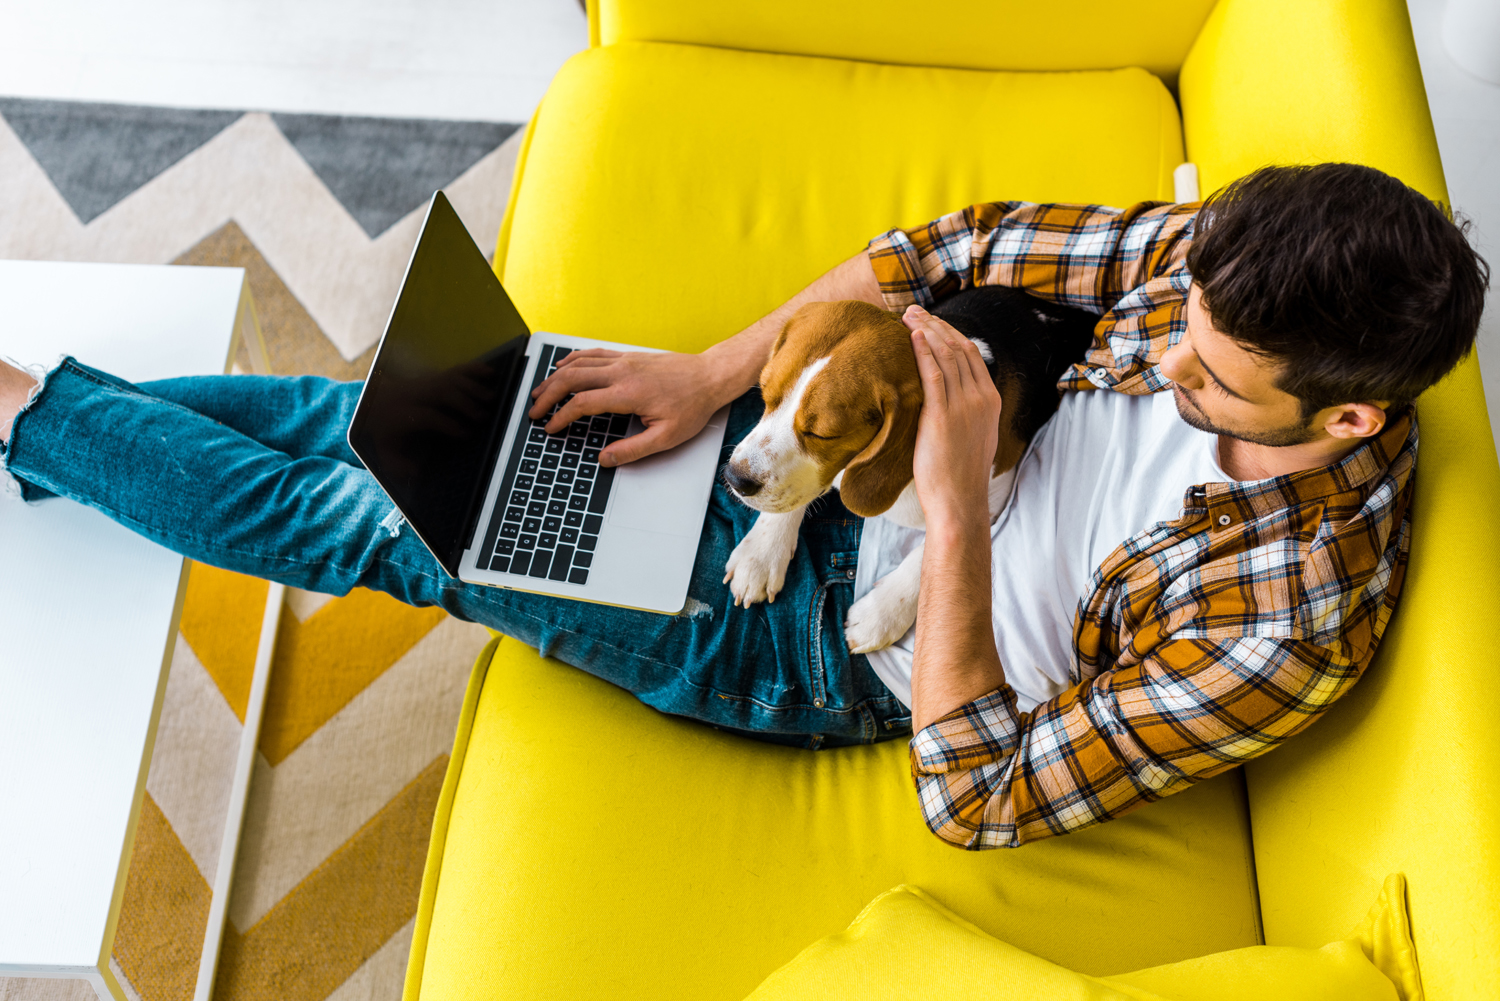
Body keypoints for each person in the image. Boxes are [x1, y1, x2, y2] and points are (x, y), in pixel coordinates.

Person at [0, 163, 1486, 849]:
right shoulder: (1216, 268)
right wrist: (717, 382)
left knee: (376, 522)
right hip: (820, 460)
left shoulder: (1290, 617)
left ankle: (25, 412)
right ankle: (34, 433)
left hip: (822, 645)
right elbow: (946, 243)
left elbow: (978, 796)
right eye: (1176, 328)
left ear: (1348, 417)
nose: (1164, 362)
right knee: (403, 425)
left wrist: (956, 509)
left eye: (1213, 379)